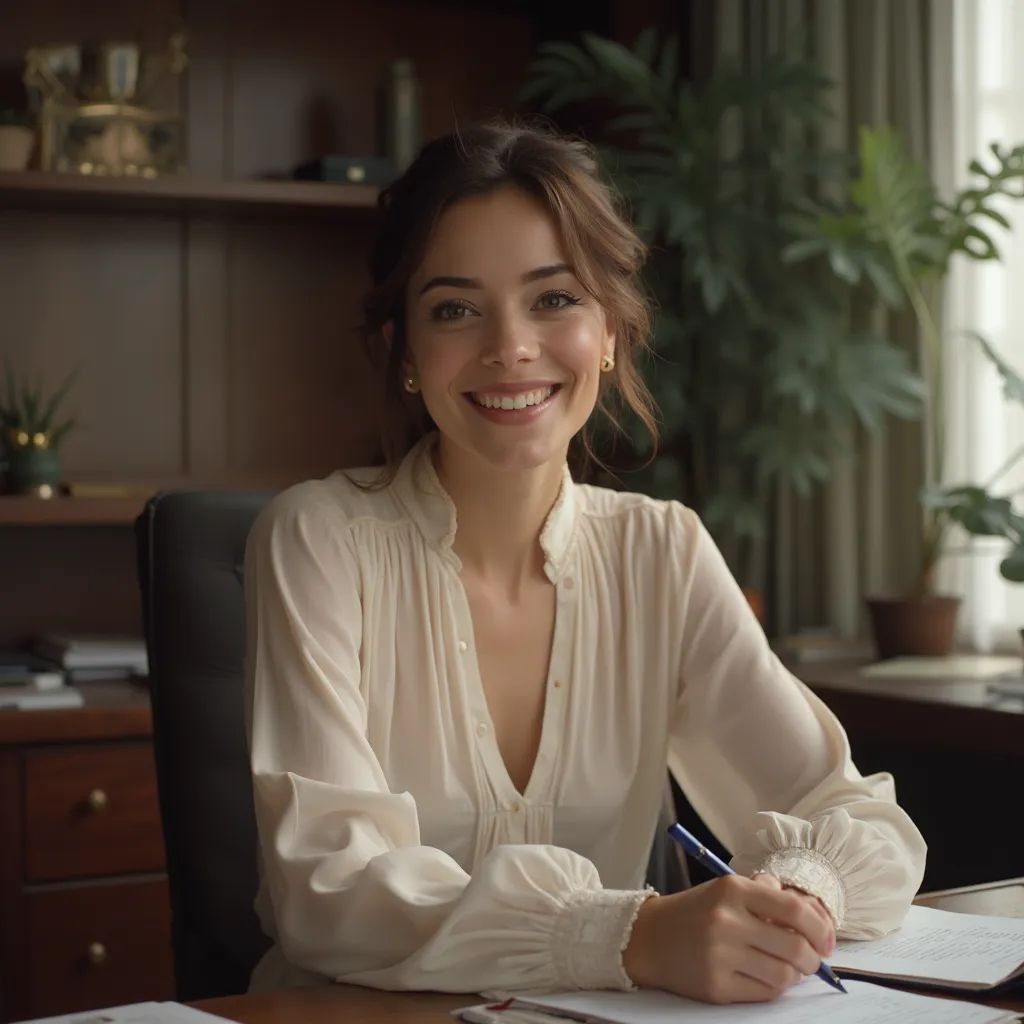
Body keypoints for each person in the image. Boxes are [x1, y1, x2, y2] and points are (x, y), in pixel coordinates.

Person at [243, 118, 926, 1004]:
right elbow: (327, 890)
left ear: (609, 331)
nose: (511, 346)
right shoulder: (317, 540)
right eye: (455, 308)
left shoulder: (662, 551)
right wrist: (626, 934)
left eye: (554, 299)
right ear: (403, 352)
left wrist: (795, 903)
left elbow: (856, 817)